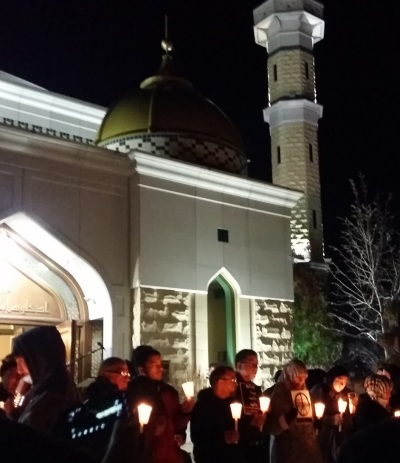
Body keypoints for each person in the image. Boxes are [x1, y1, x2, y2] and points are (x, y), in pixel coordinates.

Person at [128, 345, 194, 463]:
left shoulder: (169, 392)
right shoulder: (132, 392)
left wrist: (185, 412)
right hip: (148, 455)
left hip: (171, 453)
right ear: (141, 369)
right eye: (154, 364)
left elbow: (177, 423)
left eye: (160, 364)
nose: (160, 368)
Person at [12, 326, 80, 436]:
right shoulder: (48, 387)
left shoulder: (51, 394)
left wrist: (10, 415)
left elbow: (27, 435)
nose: (19, 371)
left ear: (38, 360)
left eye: (21, 363)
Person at [266, 358, 323, 463]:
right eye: (298, 377)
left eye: (303, 378)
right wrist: (286, 418)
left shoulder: (305, 393)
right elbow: (272, 427)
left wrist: (316, 422)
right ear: (289, 375)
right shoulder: (279, 394)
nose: (301, 381)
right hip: (287, 448)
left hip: (308, 448)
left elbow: (309, 416)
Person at [191, 365, 245, 463]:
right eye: (232, 380)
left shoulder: (233, 404)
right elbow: (198, 437)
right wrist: (222, 438)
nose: (236, 384)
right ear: (220, 382)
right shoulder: (203, 405)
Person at [310, 366, 352, 463]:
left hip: (336, 438)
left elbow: (347, 419)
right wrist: (330, 419)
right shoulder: (319, 391)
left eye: (345, 382)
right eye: (339, 380)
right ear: (332, 378)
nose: (342, 384)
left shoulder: (343, 395)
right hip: (320, 436)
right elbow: (311, 415)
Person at [234, 349, 267, 463]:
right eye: (252, 364)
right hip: (239, 446)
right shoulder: (232, 388)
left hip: (256, 444)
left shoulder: (256, 389)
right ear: (239, 365)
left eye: (257, 364)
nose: (255, 367)